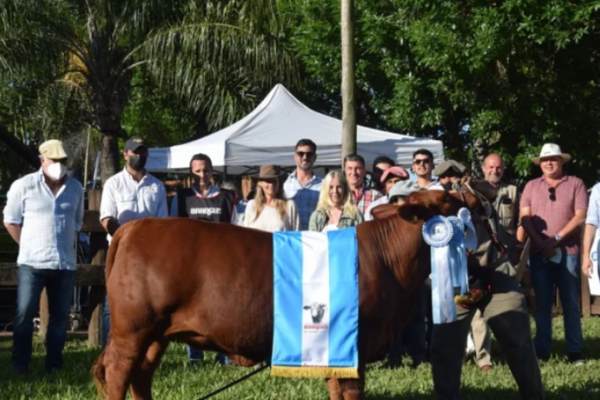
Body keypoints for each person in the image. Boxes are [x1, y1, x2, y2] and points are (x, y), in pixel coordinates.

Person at [430, 174, 543, 399]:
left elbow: (490, 191)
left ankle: (534, 396)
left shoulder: (474, 198)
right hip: (458, 286)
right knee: (444, 347)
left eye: (454, 175)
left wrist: (468, 189)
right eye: (444, 177)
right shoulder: (430, 210)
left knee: (518, 342)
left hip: (496, 277)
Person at [3, 139, 84, 374]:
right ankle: (20, 365)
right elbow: (10, 219)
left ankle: (54, 364)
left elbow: (77, 221)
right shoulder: (24, 185)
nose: (58, 165)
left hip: (64, 263)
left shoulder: (76, 189)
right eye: (54, 160)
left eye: (63, 161)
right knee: (24, 315)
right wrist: (25, 244)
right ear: (42, 160)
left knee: (60, 318)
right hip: (32, 262)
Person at [520, 143, 587, 365]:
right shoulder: (530, 186)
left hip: (569, 252)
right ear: (540, 164)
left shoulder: (576, 183)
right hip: (540, 254)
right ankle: (542, 349)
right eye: (545, 160)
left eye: (554, 160)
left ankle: (574, 350)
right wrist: (540, 242)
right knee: (543, 303)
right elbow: (525, 218)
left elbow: (579, 217)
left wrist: (555, 238)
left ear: (561, 162)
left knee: (571, 303)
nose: (549, 163)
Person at [99, 136, 168, 348]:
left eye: (143, 152)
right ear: (125, 154)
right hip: (121, 251)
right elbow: (106, 219)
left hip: (150, 254)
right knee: (114, 303)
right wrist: (125, 240)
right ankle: (108, 349)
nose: (139, 156)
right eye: (135, 152)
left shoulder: (157, 186)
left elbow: (163, 222)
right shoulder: (113, 184)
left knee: (148, 302)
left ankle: (143, 349)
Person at [170, 154, 236, 365]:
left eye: (205, 170)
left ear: (212, 171)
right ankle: (195, 356)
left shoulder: (227, 197)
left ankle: (223, 354)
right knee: (192, 311)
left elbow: (236, 230)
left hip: (220, 264)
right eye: (197, 171)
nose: (202, 175)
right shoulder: (181, 197)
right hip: (192, 265)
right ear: (191, 173)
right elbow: (173, 230)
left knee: (222, 310)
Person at [465, 154, 521, 372]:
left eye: (499, 167)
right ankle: (484, 359)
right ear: (483, 168)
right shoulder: (472, 192)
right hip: (480, 258)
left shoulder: (513, 191)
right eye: (491, 167)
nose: (495, 170)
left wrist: (518, 251)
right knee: (478, 310)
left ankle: (514, 351)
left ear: (503, 168)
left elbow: (518, 223)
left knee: (512, 304)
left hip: (505, 257)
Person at [244, 165, 300, 232]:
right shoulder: (252, 205)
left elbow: (296, 235)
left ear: (279, 182)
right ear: (260, 183)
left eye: (274, 180)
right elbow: (245, 234)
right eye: (268, 181)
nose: (271, 184)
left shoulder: (289, 205)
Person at [283, 139, 322, 230]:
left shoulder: (323, 185)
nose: (305, 157)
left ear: (315, 157)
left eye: (309, 154)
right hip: (291, 238)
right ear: (295, 156)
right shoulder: (285, 185)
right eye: (301, 153)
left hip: (314, 238)